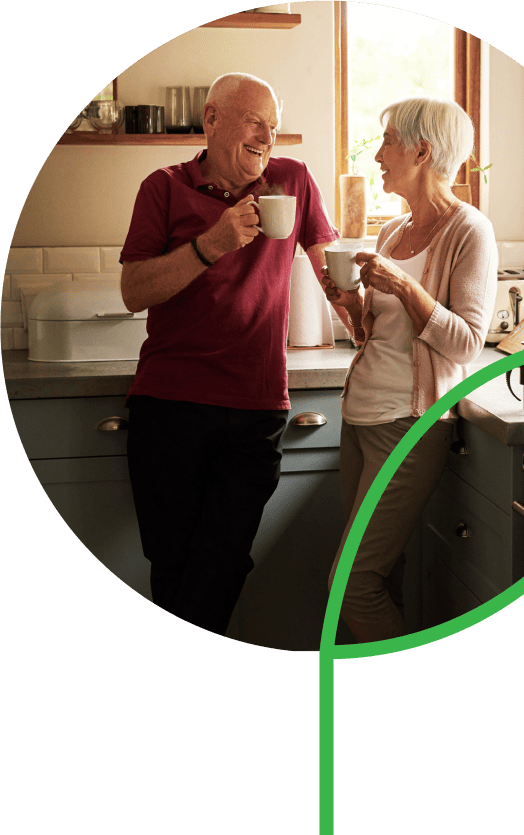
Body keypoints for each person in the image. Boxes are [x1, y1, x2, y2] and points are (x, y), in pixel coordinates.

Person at [120, 73, 339, 636]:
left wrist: (366, 306)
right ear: (211, 119)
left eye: (274, 125)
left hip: (255, 409)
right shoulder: (163, 188)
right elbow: (134, 291)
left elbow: (329, 268)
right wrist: (210, 245)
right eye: (254, 122)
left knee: (220, 564)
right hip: (169, 406)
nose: (268, 136)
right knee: (173, 565)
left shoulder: (292, 180)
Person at [322, 96, 498, 643]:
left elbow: (467, 343)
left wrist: (402, 285)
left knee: (352, 585)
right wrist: (350, 305)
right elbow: (376, 337)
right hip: (360, 419)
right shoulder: (393, 233)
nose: (378, 155)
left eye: (388, 142)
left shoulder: (470, 231)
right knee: (380, 578)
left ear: (422, 152)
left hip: (409, 425)